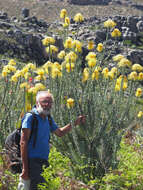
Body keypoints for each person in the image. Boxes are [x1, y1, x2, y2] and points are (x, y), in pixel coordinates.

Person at [19, 90, 86, 190]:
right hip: (31, 162)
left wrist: (75, 122)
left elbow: (60, 133)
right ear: (37, 103)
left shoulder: (48, 118)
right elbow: (23, 142)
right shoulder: (30, 117)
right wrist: (25, 168)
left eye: (50, 102)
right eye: (45, 102)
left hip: (43, 161)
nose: (48, 105)